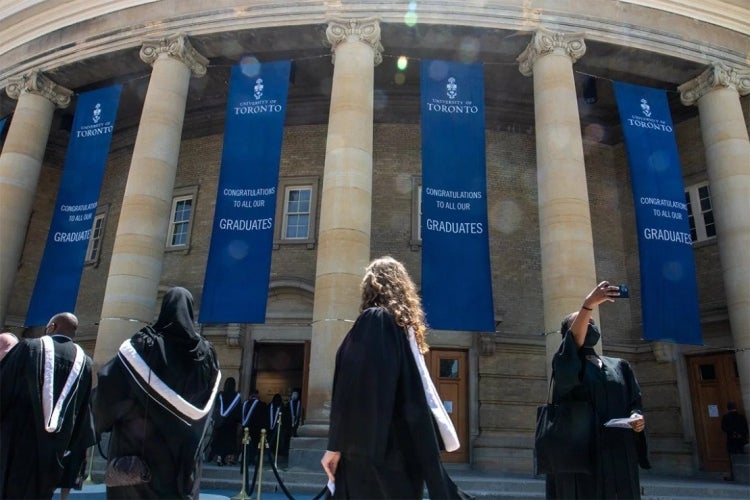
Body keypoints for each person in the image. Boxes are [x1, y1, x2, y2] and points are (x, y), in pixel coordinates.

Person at [321, 256, 469, 499]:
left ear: (370, 287)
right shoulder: (404, 330)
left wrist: (335, 445)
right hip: (404, 453)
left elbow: (357, 389)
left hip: (373, 452)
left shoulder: (374, 321)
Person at [93, 286, 221, 499]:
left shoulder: (145, 345)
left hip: (140, 458)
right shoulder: (207, 355)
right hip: (184, 461)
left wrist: (100, 423)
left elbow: (110, 395)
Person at [545, 281, 650, 499]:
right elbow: (573, 344)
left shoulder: (620, 365)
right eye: (584, 321)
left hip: (619, 450)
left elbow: (634, 401)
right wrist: (588, 304)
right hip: (582, 454)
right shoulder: (565, 364)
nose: (590, 322)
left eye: (593, 321)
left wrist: (637, 418)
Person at [0, 312, 95, 499]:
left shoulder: (29, 347)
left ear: (52, 327)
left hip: (17, 439)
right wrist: (68, 445)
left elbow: (4, 386)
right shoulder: (86, 363)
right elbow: (83, 410)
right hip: (55, 447)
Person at [212, 377, 241, 466]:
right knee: (230, 442)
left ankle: (219, 459)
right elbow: (238, 410)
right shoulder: (237, 396)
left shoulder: (220, 395)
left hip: (221, 424)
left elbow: (216, 409)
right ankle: (229, 459)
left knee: (220, 441)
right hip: (231, 424)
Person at [721, 401, 748, 481]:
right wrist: (740, 434)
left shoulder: (726, 417)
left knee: (732, 457)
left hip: (731, 440)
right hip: (741, 440)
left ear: (728, 408)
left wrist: (733, 433)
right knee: (743, 456)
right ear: (735, 408)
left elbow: (724, 428)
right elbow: (746, 428)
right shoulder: (741, 417)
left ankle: (734, 475)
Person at [240, 389, 266, 464]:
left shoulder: (245, 404)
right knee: (254, 445)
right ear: (257, 395)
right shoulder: (261, 404)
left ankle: (245, 459)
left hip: (245, 427)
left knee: (246, 444)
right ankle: (252, 459)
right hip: (256, 428)